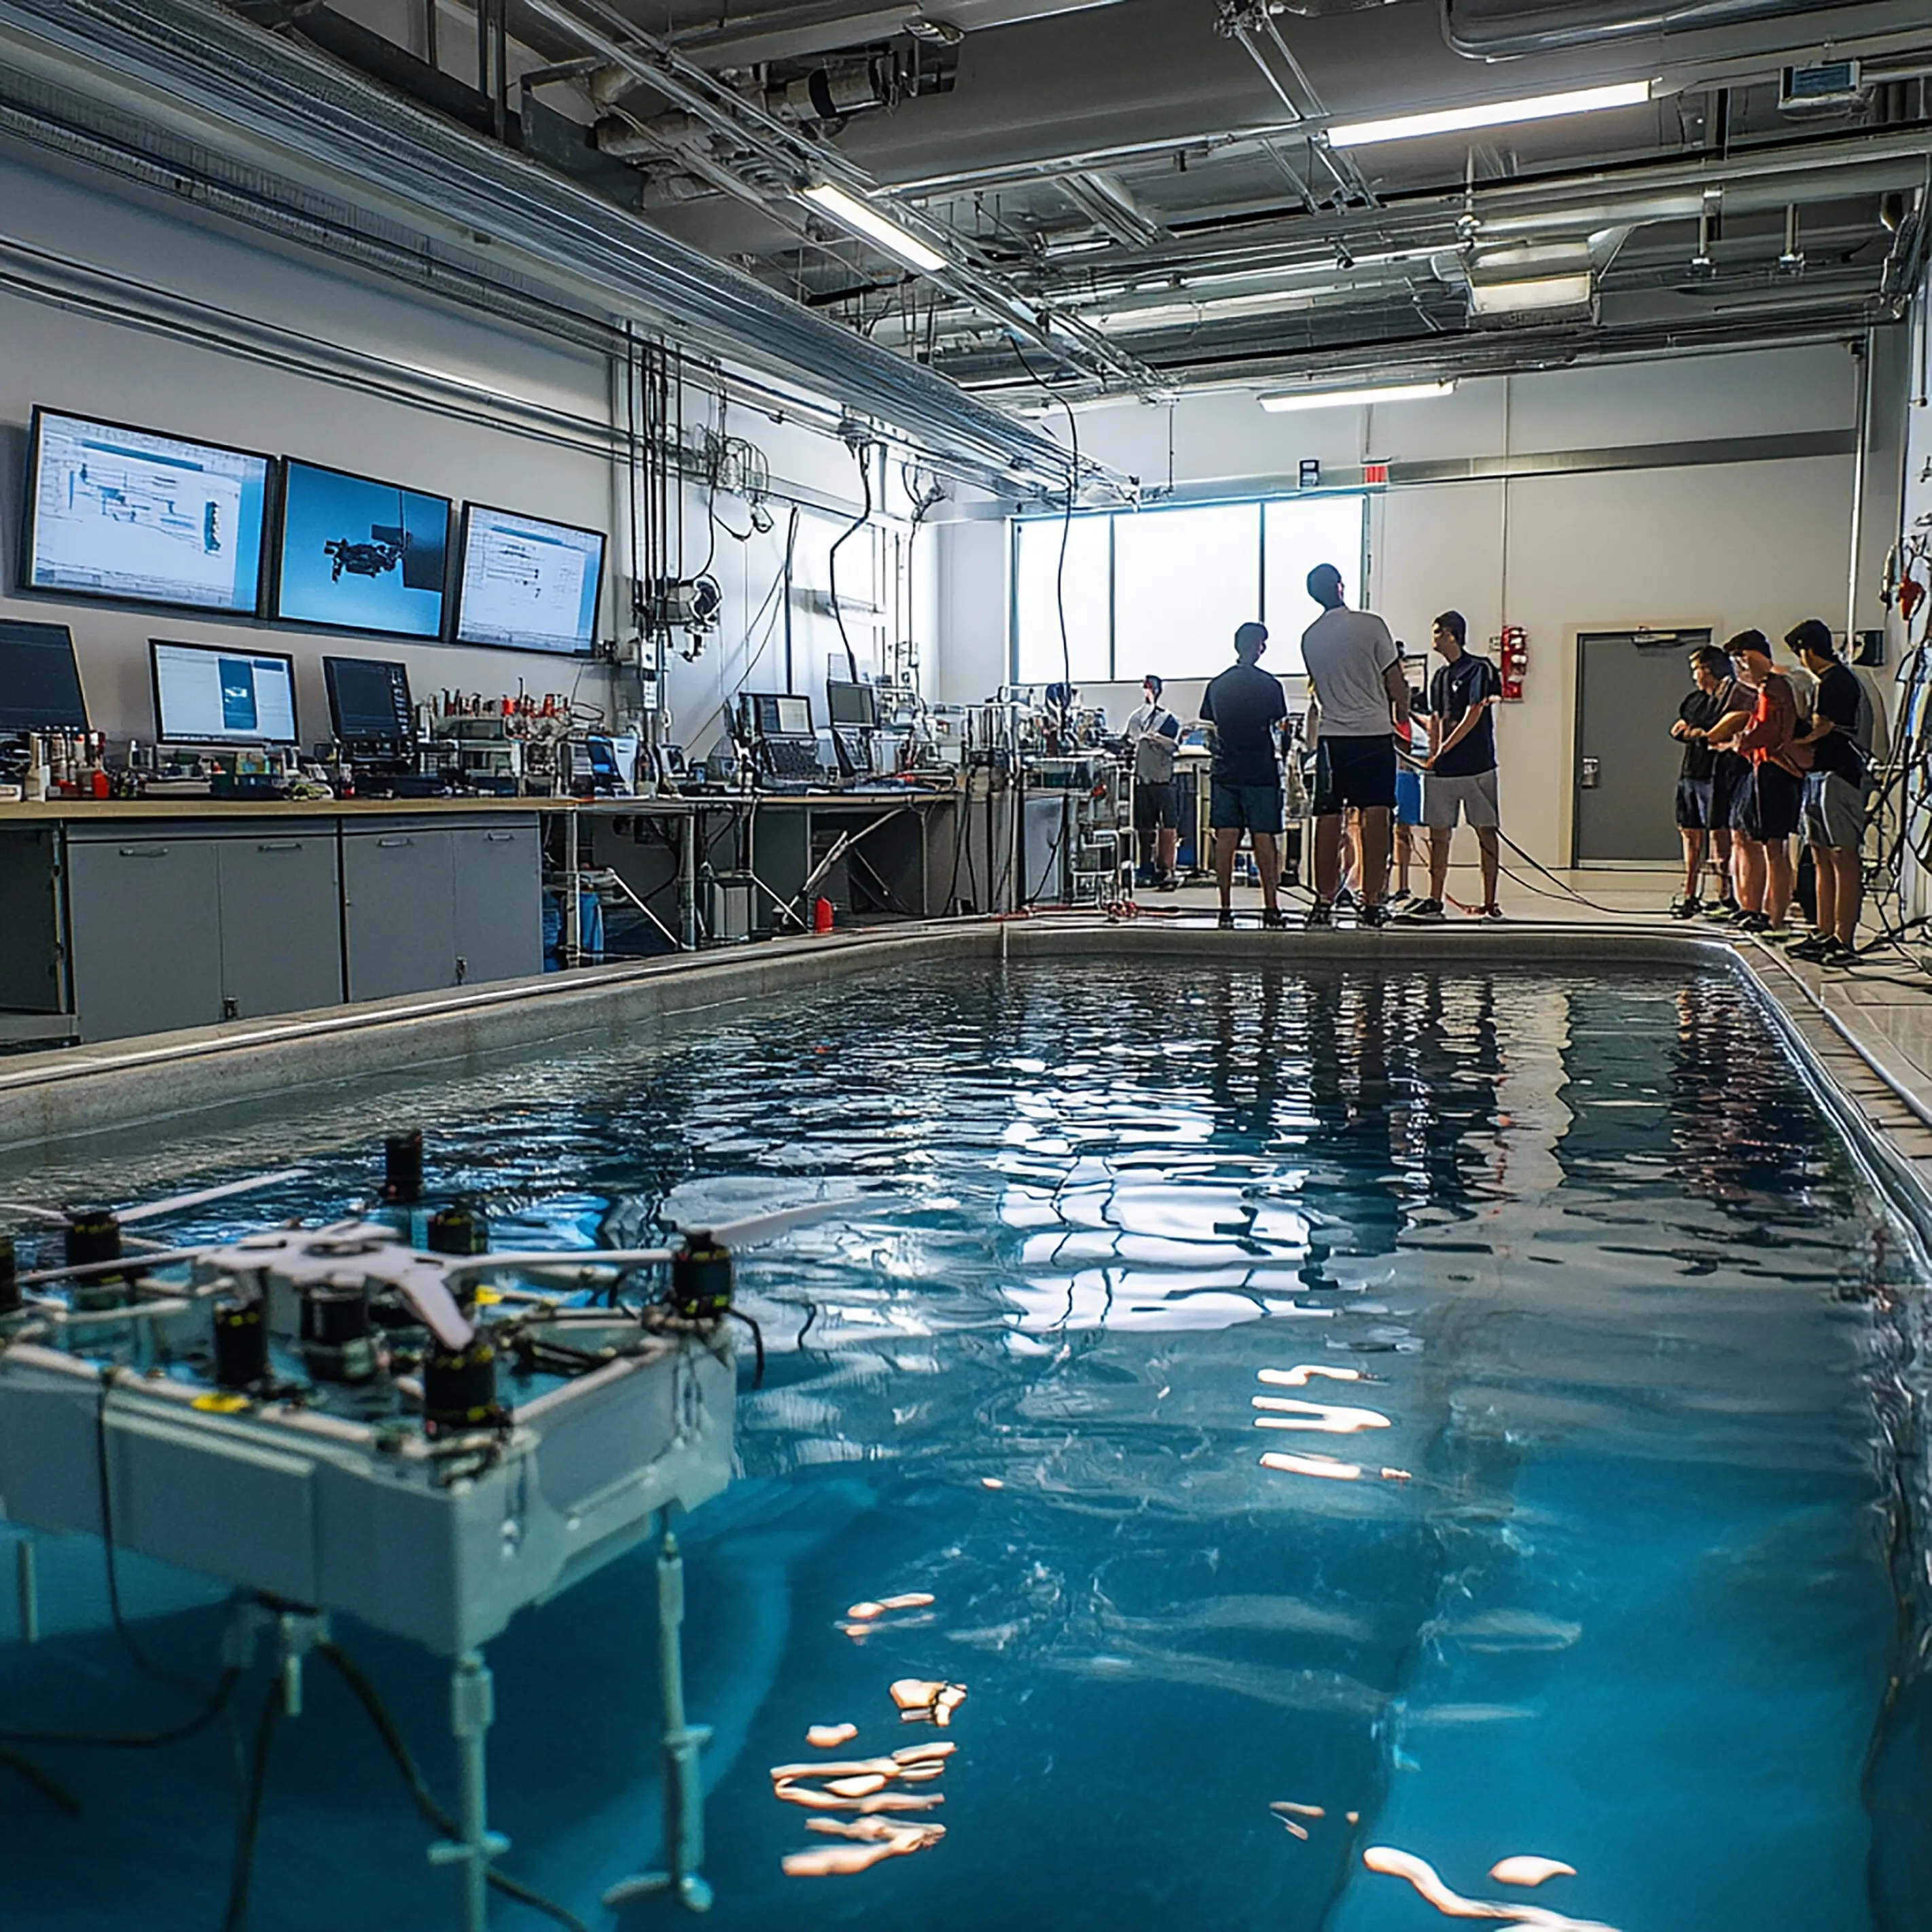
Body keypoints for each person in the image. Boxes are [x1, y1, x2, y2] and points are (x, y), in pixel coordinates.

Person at [1300, 562, 1406, 929]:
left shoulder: (1309, 638)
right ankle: (1372, 900)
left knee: (1328, 818)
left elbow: (1321, 686)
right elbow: (1396, 681)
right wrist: (1403, 714)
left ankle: (1323, 901)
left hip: (1332, 737)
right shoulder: (1371, 624)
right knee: (1376, 815)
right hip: (1373, 735)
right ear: (1341, 587)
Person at [1703, 630, 1806, 935]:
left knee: (1775, 846)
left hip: (1777, 770)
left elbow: (1769, 731)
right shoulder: (1765, 688)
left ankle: (1776, 918)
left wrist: (1738, 742)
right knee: (1756, 840)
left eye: (1741, 661)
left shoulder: (1777, 686)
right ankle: (1758, 910)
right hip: (1762, 767)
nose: (1740, 670)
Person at [1403, 610, 1502, 920]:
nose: (1433, 639)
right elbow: (1436, 719)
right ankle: (1435, 898)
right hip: (1443, 771)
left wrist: (1445, 748)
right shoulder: (1440, 676)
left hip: (1477, 767)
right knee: (1439, 834)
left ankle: (1490, 901)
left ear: (1450, 634)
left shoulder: (1480, 669)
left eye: (1436, 633)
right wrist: (1433, 756)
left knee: (1485, 831)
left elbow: (1474, 714)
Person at [1787, 619, 1870, 965]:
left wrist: (1794, 741)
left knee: (1842, 854)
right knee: (1819, 853)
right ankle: (1823, 930)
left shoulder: (1837, 679)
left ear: (1808, 649)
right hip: (1819, 773)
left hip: (1840, 773)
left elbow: (1823, 727)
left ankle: (1843, 937)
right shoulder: (1826, 681)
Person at [1200, 621, 1288, 929]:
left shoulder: (1218, 684)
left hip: (1226, 769)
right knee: (1264, 838)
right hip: (1260, 770)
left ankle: (1225, 908)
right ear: (1259, 647)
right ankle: (1271, 907)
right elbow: (1277, 723)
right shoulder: (1270, 685)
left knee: (1226, 838)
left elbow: (1210, 725)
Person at [1668, 643, 1732, 917]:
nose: (1694, 675)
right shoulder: (1693, 700)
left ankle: (1726, 895)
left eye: (1697, 669)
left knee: (1720, 836)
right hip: (1690, 773)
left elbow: (1718, 734)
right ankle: (1690, 892)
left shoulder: (1727, 699)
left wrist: (1700, 733)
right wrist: (1694, 733)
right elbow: (1679, 728)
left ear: (1710, 669)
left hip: (1716, 774)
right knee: (1690, 832)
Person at [1124, 674, 1182, 891]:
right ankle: (1145, 865)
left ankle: (1166, 868)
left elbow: (1174, 745)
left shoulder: (1168, 719)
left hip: (1163, 778)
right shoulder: (1136, 718)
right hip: (1142, 778)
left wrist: (1155, 739)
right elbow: (1129, 742)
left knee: (1168, 824)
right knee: (1144, 825)